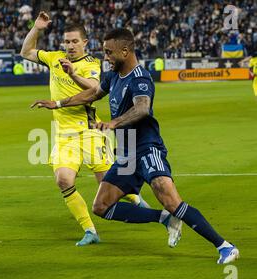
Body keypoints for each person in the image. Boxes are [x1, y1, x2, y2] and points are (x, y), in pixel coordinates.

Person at [31, 28, 240, 264]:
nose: (106, 57)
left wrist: (113, 123)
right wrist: (57, 103)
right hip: (127, 151)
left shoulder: (140, 78)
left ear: (125, 50)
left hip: (147, 147)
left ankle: (224, 246)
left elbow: (142, 108)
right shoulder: (112, 76)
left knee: (172, 201)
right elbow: (90, 94)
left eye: (109, 53)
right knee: (102, 206)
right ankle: (164, 218)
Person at [21, 12, 151, 246]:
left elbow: (93, 89)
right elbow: (26, 52)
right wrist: (37, 29)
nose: (69, 46)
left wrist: (72, 72)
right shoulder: (54, 58)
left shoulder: (92, 63)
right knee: (63, 179)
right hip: (64, 136)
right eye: (66, 41)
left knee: (107, 182)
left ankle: (135, 197)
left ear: (84, 43)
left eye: (74, 41)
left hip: (90, 132)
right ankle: (90, 230)